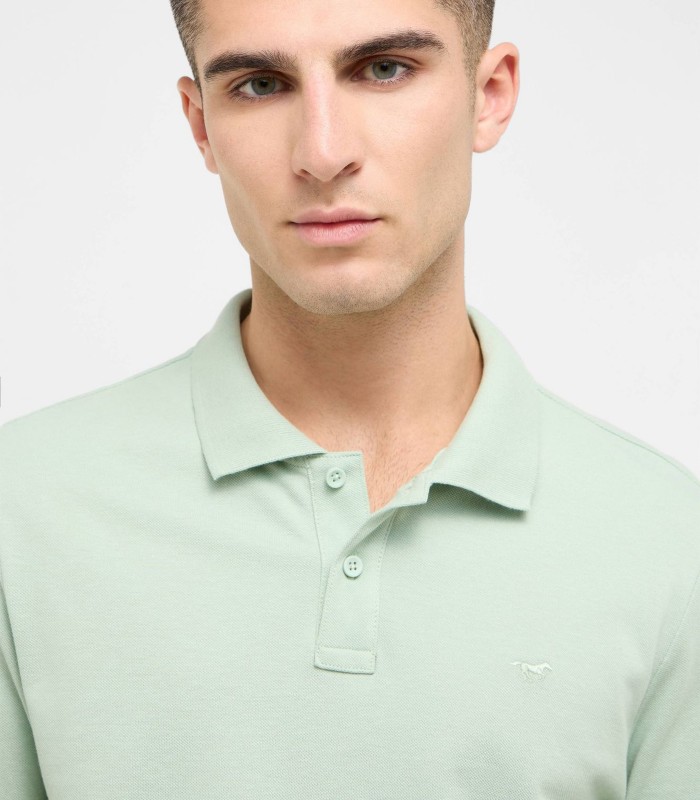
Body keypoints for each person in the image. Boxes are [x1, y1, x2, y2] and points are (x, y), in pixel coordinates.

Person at [1, 0, 698, 797]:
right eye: (261, 85)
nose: (323, 153)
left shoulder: (670, 544)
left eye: (385, 69)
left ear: (490, 94)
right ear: (201, 126)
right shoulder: (20, 510)